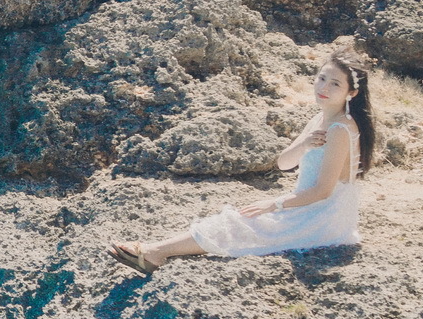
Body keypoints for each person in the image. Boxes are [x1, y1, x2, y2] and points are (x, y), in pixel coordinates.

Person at [109, 52, 373, 275]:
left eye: (335, 84)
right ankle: (156, 251)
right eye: (321, 78)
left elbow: (323, 191)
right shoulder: (320, 118)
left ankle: (155, 253)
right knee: (245, 218)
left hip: (322, 216)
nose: (323, 88)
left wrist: (275, 204)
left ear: (352, 93)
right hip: (304, 203)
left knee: (242, 222)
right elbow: (283, 163)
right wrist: (304, 144)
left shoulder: (340, 129)